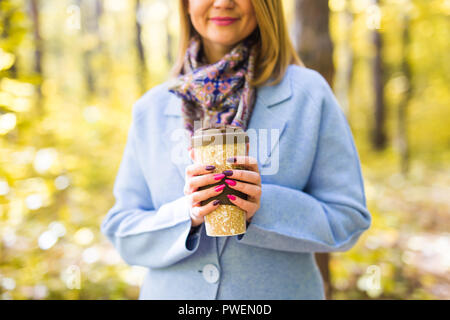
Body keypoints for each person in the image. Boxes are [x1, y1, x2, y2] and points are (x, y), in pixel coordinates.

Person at [101, 0, 371, 300]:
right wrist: (186, 214)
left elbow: (348, 219)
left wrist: (262, 207)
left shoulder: (309, 95)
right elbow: (122, 230)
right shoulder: (150, 108)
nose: (223, 2)